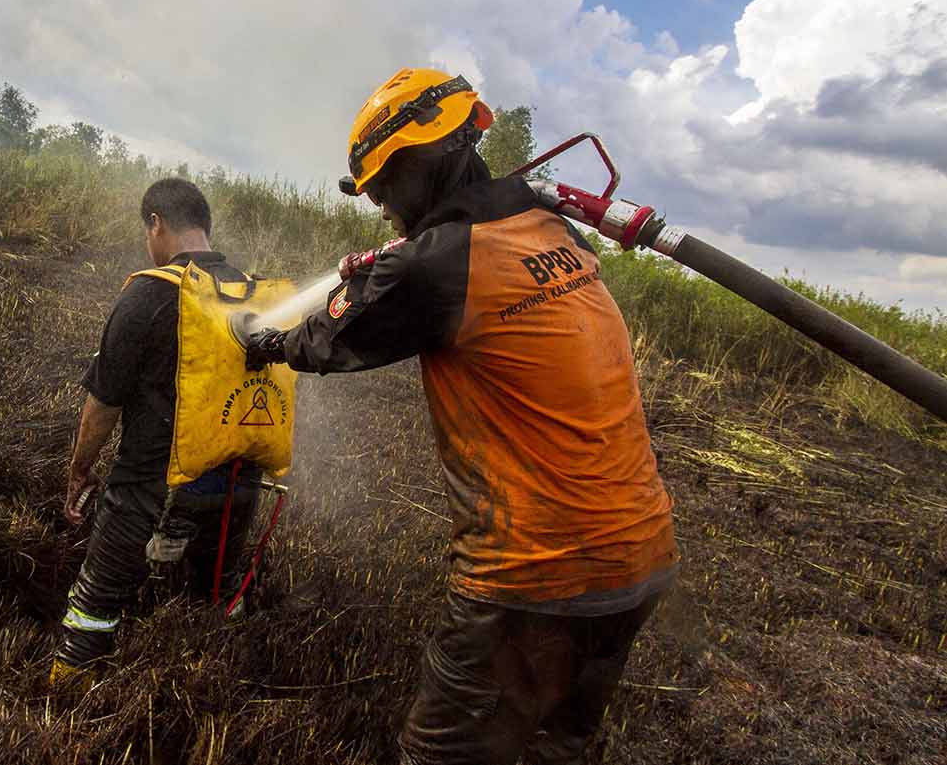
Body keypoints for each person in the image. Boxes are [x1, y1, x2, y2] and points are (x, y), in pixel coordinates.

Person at [244, 68, 677, 765]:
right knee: (554, 748)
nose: (380, 206)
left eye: (382, 187)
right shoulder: (552, 230)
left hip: (536, 574)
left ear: (418, 164)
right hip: (641, 555)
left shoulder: (436, 261)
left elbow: (324, 341)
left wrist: (262, 341)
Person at [52, 177, 259, 687]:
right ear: (205, 227)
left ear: (156, 224)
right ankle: (223, 690)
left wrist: (80, 469)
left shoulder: (149, 292)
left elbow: (104, 403)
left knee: (94, 606)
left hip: (151, 487)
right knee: (220, 594)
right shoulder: (247, 291)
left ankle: (67, 690)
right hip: (235, 486)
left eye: (148, 233)